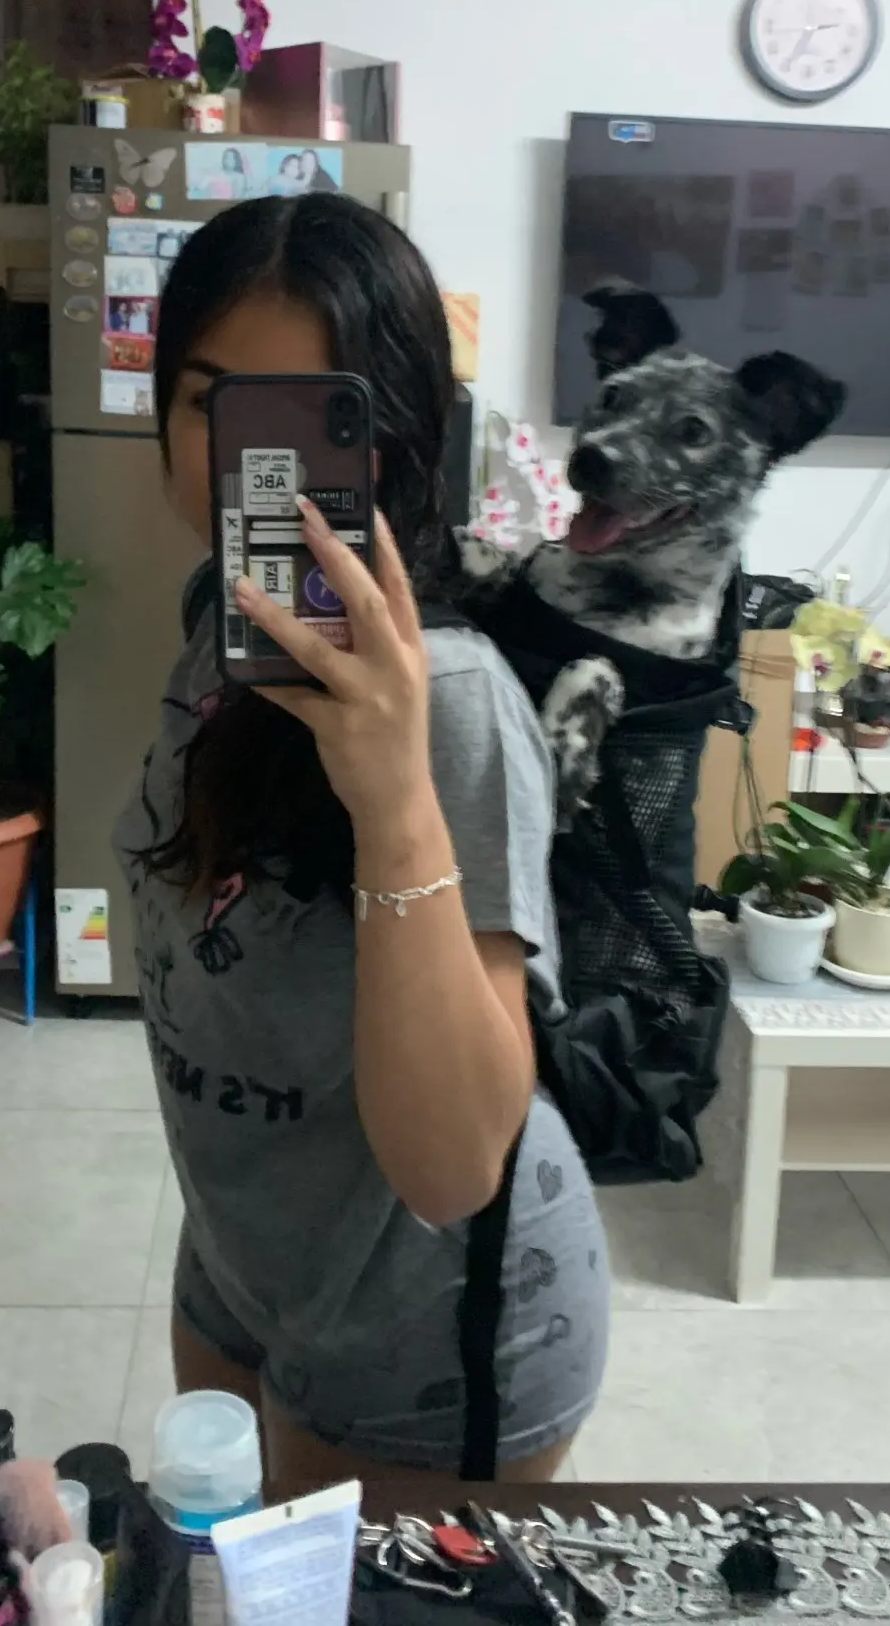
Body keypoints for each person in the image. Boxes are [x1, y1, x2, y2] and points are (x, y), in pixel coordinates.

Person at [115, 193, 609, 1489]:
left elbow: (453, 1168)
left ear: (391, 443)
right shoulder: (214, 632)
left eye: (303, 423)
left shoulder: (452, 702)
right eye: (211, 406)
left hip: (426, 1331)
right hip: (242, 1263)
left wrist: (391, 796)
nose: (252, 471)